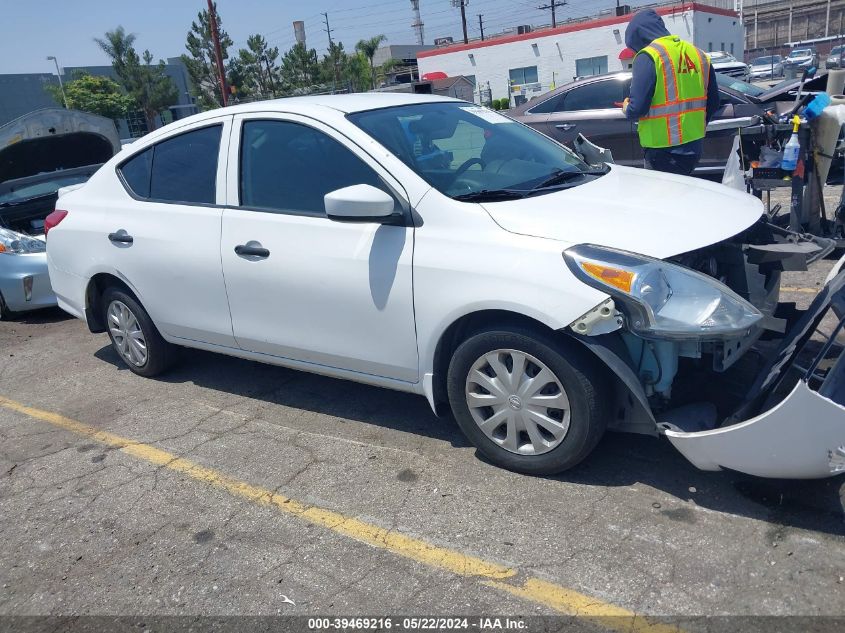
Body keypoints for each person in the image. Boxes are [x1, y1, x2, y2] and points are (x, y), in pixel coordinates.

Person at [622, 9, 721, 176]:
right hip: (693, 147)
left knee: (663, 200)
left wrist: (626, 107)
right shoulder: (699, 54)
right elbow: (714, 102)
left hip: (662, 152)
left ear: (637, 36)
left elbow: (636, 109)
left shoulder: (648, 56)